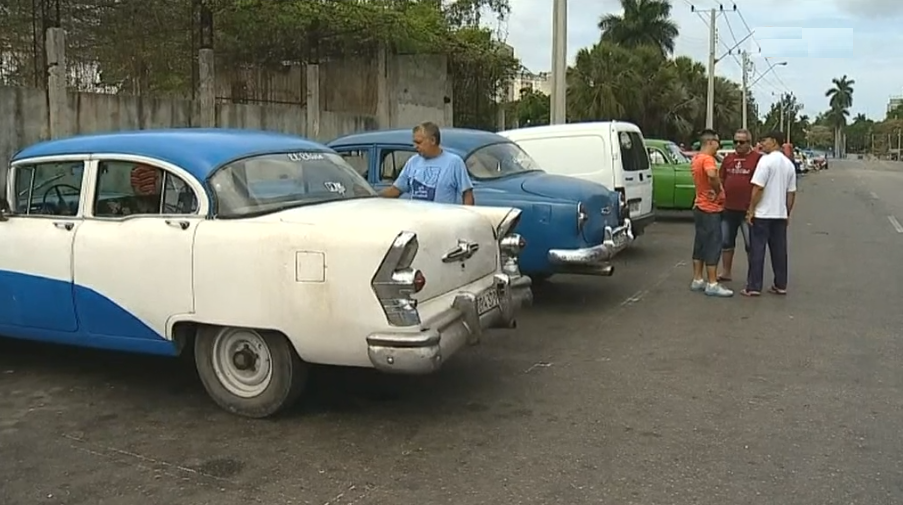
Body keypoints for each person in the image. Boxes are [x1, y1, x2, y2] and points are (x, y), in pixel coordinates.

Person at [742, 130, 797, 297]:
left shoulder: (765, 161)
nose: (761, 144)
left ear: (774, 142)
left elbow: (758, 187)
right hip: (779, 215)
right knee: (779, 251)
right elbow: (791, 193)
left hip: (762, 214)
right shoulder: (788, 164)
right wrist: (787, 212)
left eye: (764, 140)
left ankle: (754, 286)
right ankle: (780, 284)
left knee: (757, 250)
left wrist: (751, 209)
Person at [380, 122, 475, 205]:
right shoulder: (412, 162)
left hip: (443, 223)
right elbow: (396, 190)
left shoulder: (454, 162)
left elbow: (467, 194)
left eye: (419, 142)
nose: (415, 146)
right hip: (418, 222)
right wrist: (373, 197)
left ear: (433, 140)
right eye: (414, 143)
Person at [690, 129, 733, 297]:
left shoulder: (695, 159)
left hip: (699, 206)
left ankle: (697, 278)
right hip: (710, 208)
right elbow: (712, 174)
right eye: (717, 142)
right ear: (710, 142)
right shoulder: (708, 159)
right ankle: (712, 283)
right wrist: (718, 190)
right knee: (713, 244)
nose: (718, 146)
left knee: (700, 243)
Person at [718, 128, 762, 282]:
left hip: (747, 210)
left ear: (749, 143)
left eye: (741, 142)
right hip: (728, 209)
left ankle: (753, 275)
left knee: (751, 244)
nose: (738, 145)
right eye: (735, 141)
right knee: (726, 242)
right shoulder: (728, 158)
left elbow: (761, 184)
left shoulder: (758, 159)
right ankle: (726, 272)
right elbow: (721, 179)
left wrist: (753, 207)